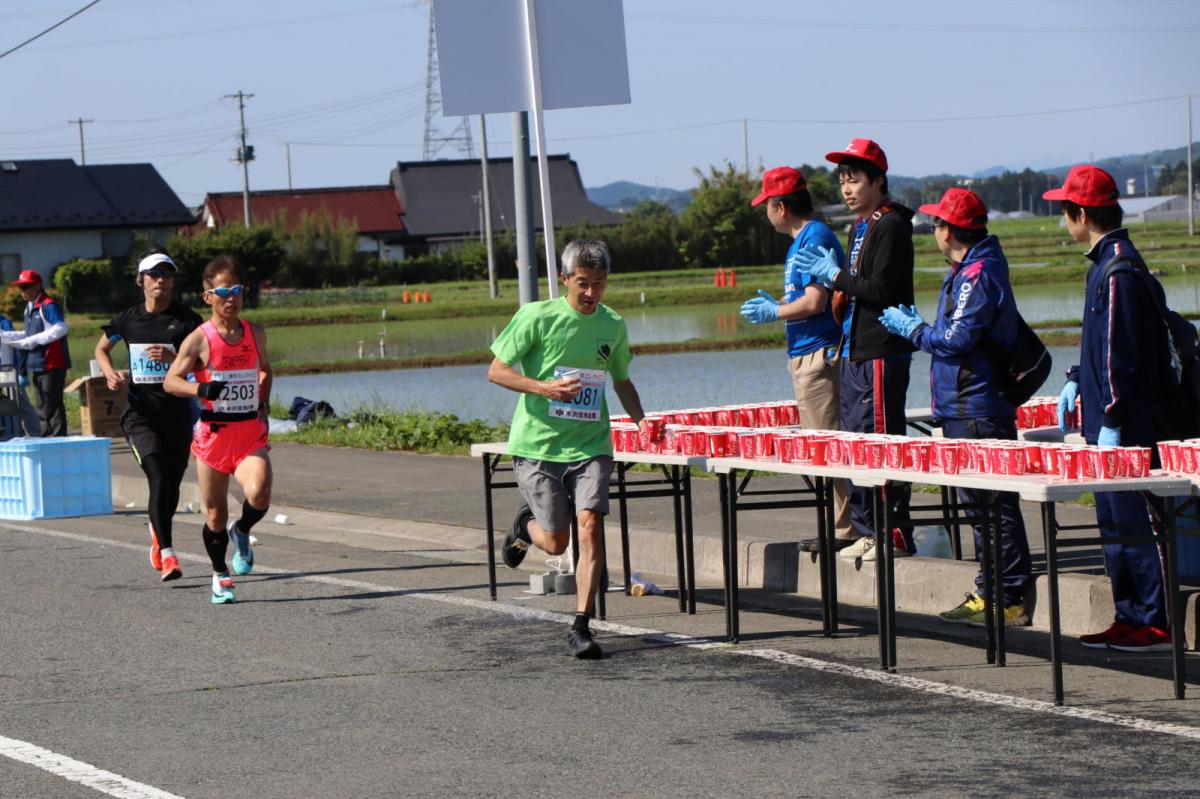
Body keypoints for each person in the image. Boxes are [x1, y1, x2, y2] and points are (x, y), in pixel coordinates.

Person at [488, 239, 653, 659]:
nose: (591, 293)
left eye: (599, 283)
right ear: (564, 280)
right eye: (582, 283)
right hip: (539, 446)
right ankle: (525, 526)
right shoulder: (537, 317)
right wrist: (543, 387)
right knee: (558, 543)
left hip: (591, 443)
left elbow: (621, 381)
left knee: (591, 527)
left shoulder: (612, 325)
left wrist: (642, 419)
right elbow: (497, 370)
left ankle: (581, 626)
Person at [878, 188, 1032, 627]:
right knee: (977, 509)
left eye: (935, 225)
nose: (933, 232)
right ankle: (991, 590)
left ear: (949, 230)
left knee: (994, 506)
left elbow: (955, 341)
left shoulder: (978, 274)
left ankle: (1009, 594)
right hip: (964, 406)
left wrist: (914, 331)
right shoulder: (966, 269)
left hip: (978, 407)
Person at [1048, 165, 1172, 652]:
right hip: (1103, 417)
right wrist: (1078, 381)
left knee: (1138, 521)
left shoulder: (1119, 268)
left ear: (1080, 213)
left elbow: (1120, 354)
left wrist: (1114, 418)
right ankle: (1128, 613)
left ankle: (1155, 620)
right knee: (1113, 521)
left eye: (1065, 212)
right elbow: (1097, 347)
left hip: (1125, 422)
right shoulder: (1103, 263)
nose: (1064, 222)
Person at [794, 139, 916, 562]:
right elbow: (856, 288)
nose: (847, 189)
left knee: (881, 437)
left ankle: (892, 530)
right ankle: (868, 528)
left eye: (855, 180)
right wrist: (838, 286)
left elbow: (881, 291)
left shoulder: (892, 225)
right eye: (843, 181)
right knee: (857, 438)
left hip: (882, 348)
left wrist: (837, 277)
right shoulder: (860, 226)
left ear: (878, 181)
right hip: (854, 348)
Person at [740, 166, 853, 550]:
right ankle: (837, 527)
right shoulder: (799, 241)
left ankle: (844, 530)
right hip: (806, 354)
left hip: (820, 355)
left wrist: (775, 313)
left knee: (828, 443)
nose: (766, 213)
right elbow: (803, 294)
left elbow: (817, 301)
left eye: (767, 206)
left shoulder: (814, 237)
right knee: (819, 444)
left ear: (780, 206)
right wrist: (781, 303)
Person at [164, 256, 272, 605]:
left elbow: (266, 371)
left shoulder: (255, 333)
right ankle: (220, 575)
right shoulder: (199, 339)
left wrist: (263, 405)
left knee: (259, 494)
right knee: (214, 514)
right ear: (207, 296)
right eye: (223, 291)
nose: (231, 298)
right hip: (214, 437)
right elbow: (170, 381)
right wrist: (200, 389)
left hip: (248, 433)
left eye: (237, 290)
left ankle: (242, 532)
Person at [95, 249, 203, 582]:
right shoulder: (128, 320)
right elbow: (102, 348)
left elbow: (204, 364)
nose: (161, 280)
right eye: (154, 274)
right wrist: (110, 373)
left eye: (167, 274)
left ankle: (158, 534)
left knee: (171, 486)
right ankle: (170, 555)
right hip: (141, 415)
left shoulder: (189, 321)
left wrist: (175, 356)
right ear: (141, 280)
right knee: (157, 476)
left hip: (178, 415)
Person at [1, 269, 70, 436]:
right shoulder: (29, 308)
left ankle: (58, 438)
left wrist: (34, 340)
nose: (22, 291)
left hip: (52, 362)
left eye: (26, 287)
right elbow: (29, 333)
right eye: (21, 287)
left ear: (38, 286)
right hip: (37, 363)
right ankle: (45, 437)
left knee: (52, 404)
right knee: (41, 405)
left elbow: (61, 328)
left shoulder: (48, 305)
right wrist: (7, 336)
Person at [0, 313, 42, 437]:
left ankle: (35, 435)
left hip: (6, 372)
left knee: (21, 404)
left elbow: (17, 344)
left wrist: (20, 372)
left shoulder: (4, 323)